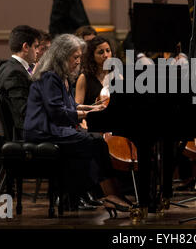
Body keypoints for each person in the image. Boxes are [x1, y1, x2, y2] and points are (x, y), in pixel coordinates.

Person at [24, 34, 131, 217]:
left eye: (80, 57)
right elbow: (57, 113)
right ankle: (111, 194)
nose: (78, 62)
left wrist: (93, 107)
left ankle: (109, 194)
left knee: (95, 142)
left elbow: (71, 106)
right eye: (75, 57)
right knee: (96, 142)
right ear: (62, 56)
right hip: (43, 131)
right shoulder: (50, 77)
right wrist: (90, 113)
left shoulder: (59, 76)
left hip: (53, 130)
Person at [0, 25, 41, 140]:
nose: (38, 51)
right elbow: (24, 111)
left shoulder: (7, 66)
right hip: (23, 133)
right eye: (36, 47)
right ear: (25, 47)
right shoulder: (15, 72)